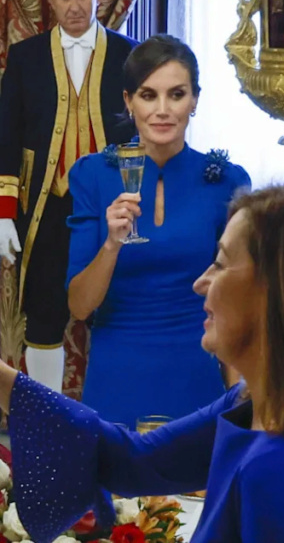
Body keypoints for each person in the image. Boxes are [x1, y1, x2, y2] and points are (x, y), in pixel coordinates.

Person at [0, 182, 284, 543]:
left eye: (219, 262)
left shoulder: (282, 469)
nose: (200, 282)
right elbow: (133, 461)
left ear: (278, 291)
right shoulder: (270, 406)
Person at [66, 34, 250, 427]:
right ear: (128, 101)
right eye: (149, 96)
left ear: (195, 100)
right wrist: (112, 245)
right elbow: (80, 306)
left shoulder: (225, 182)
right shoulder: (93, 176)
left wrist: (240, 407)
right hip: (118, 375)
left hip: (196, 377)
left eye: (177, 94)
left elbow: (239, 303)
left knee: (196, 489)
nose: (163, 110)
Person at [0, 0, 137, 392]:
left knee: (114, 310)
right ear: (51, 0)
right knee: (43, 314)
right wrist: (4, 212)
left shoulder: (130, 54)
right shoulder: (24, 58)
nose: (75, 5)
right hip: (46, 209)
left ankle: (110, 419)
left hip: (113, 208)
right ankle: (50, 420)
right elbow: (6, 136)